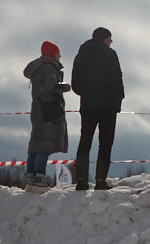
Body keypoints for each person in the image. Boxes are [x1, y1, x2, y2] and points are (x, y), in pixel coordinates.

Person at [71, 26, 124, 191]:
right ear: (104, 38)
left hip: (88, 105)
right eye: (110, 38)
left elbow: (75, 82)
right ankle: (100, 181)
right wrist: (118, 100)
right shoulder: (111, 54)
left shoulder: (81, 55)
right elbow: (117, 79)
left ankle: (81, 181)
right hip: (108, 107)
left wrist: (86, 93)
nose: (111, 41)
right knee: (106, 143)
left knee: (85, 141)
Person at [23, 41, 70, 191]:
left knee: (36, 145)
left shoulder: (37, 68)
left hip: (37, 109)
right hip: (50, 110)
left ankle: (30, 177)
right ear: (52, 54)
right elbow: (51, 89)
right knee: (45, 145)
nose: (60, 56)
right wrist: (65, 87)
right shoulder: (49, 68)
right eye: (58, 53)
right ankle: (40, 179)